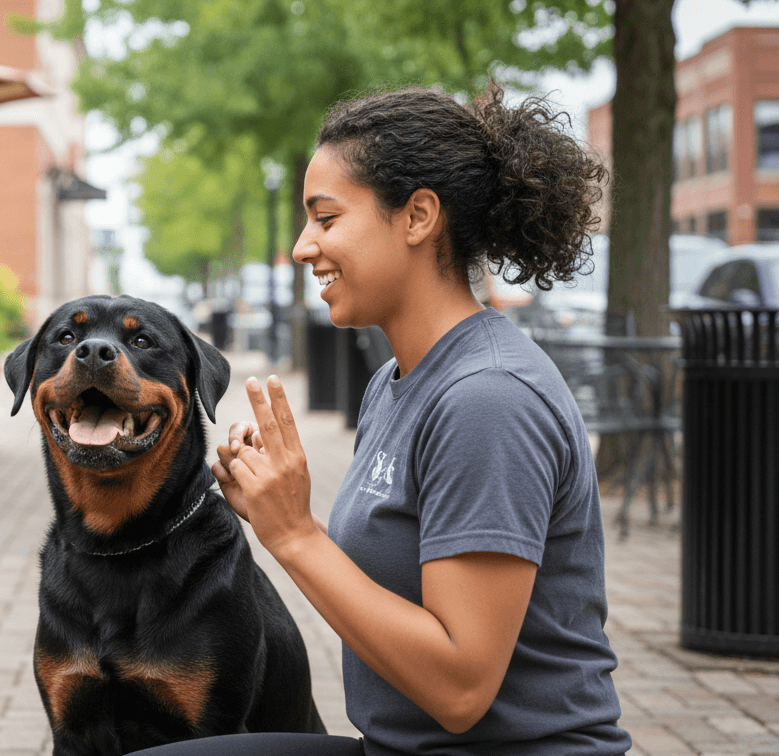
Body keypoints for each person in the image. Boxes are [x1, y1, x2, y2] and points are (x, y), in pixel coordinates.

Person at [151, 84, 634, 755]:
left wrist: (294, 535)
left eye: (325, 218)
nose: (300, 247)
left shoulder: (487, 399)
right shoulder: (395, 382)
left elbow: (461, 689)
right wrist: (276, 511)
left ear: (417, 217)